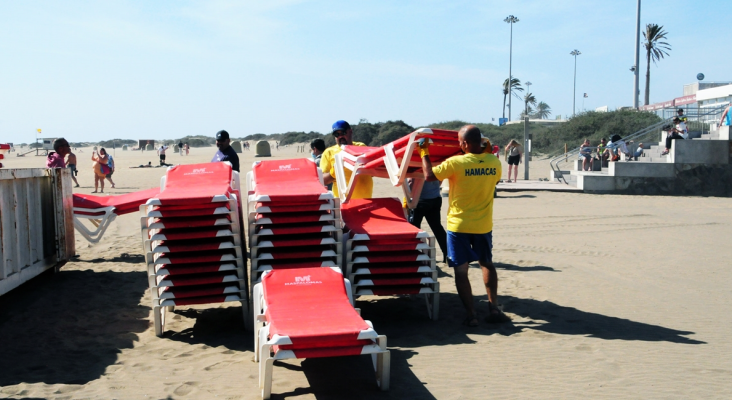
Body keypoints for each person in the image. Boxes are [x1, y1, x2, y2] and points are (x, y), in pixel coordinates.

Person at [419, 124, 508, 326]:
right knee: (487, 263)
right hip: (483, 225)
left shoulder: (456, 163)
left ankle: (471, 315)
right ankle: (493, 307)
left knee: (461, 271)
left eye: (460, 142)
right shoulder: (495, 162)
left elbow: (429, 176)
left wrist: (424, 152)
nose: (459, 145)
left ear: (465, 143)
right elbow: (492, 179)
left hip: (458, 226)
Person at [320, 120, 373, 199]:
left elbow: (372, 172)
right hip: (342, 202)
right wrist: (333, 173)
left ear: (350, 132)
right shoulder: (329, 152)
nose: (340, 136)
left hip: (366, 200)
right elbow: (322, 180)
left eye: (343, 133)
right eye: (337, 134)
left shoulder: (361, 147)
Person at [407, 179, 448, 263]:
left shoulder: (417, 166)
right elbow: (440, 179)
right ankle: (447, 254)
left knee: (415, 228)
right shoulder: (435, 165)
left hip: (420, 199)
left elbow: (411, 182)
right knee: (437, 228)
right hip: (435, 198)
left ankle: (415, 254)